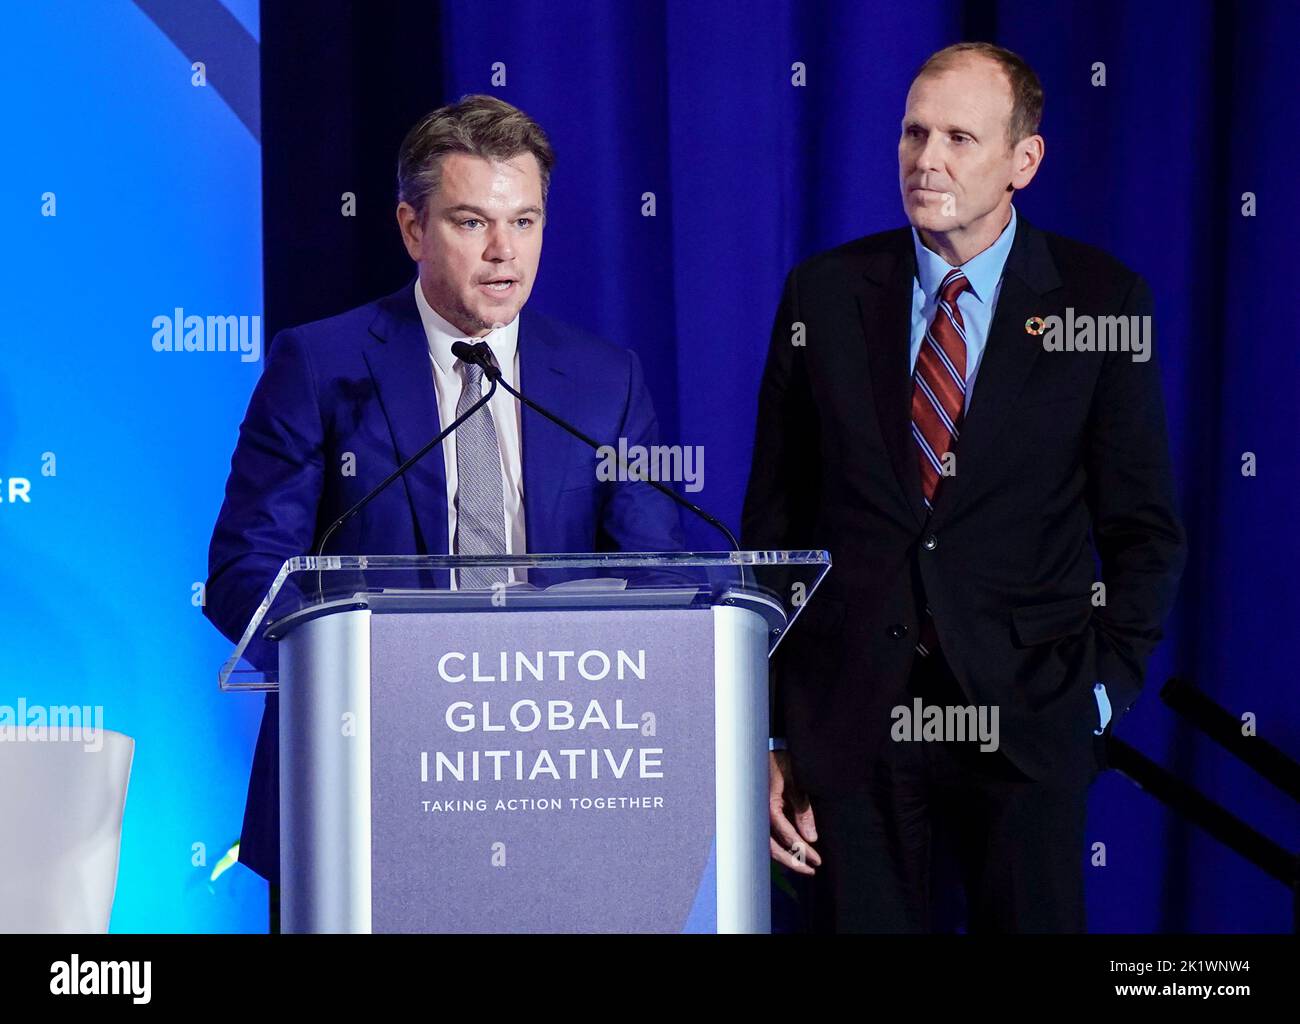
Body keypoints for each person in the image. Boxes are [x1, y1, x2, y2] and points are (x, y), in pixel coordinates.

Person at [744, 42, 1186, 932]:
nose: (926, 160)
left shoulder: (1099, 301)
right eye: (913, 132)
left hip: (1026, 722)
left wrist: (1096, 693)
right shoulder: (822, 296)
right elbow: (773, 527)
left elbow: (1144, 529)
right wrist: (773, 728)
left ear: (1024, 161)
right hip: (851, 729)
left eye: (958, 137)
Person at [204, 94, 684, 891]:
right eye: (471, 222)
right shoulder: (324, 367)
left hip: (560, 775)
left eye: (525, 222)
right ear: (411, 228)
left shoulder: (606, 379)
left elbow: (655, 572)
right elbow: (247, 571)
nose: (505, 252)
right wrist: (366, 668)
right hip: (363, 767)